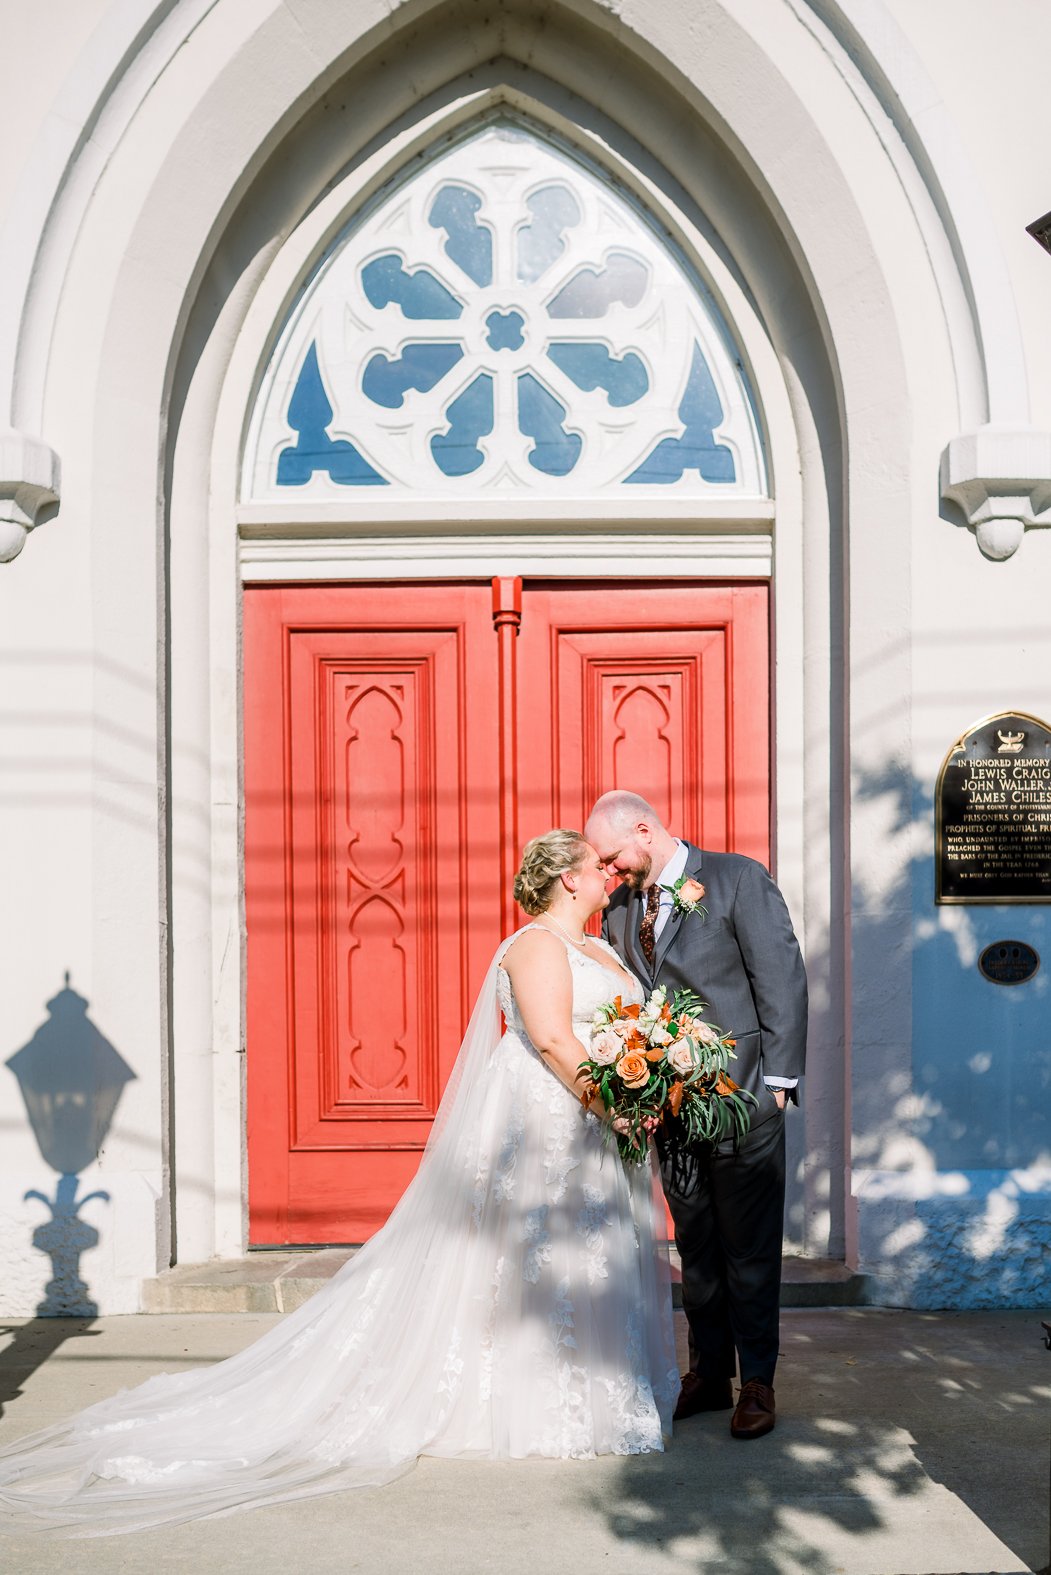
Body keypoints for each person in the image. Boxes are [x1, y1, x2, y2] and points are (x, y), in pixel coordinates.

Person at [0, 830, 677, 1536]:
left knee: (587, 1252)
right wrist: (615, 1104)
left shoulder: (602, 948)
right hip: (549, 1115)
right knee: (530, 1253)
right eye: (595, 866)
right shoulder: (535, 946)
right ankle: (532, 1400)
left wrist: (648, 1079)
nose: (609, 874)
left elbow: (621, 1029)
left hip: (597, 1123)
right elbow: (554, 1039)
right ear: (566, 879)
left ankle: (598, 1389)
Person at [584, 791, 808, 1440]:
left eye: (612, 856)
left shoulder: (737, 879)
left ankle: (757, 1381)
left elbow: (781, 978)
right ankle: (709, 1372)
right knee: (697, 1248)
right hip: (672, 1110)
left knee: (750, 1249)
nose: (608, 871)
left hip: (743, 1099)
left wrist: (778, 1086)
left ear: (644, 830)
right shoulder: (621, 909)